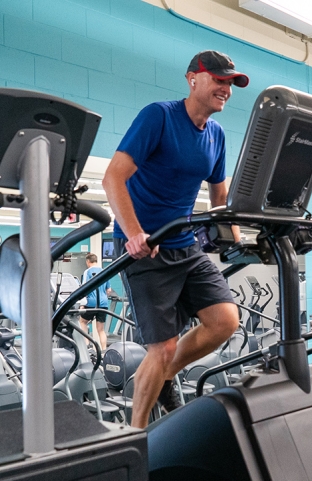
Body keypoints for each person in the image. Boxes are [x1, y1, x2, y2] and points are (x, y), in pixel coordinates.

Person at [102, 50, 249, 428]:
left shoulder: (216, 136)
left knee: (225, 320)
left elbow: (219, 201)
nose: (225, 89)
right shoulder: (159, 116)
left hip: (185, 243)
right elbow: (113, 177)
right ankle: (134, 437)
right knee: (163, 346)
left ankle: (164, 374)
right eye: (218, 80)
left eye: (230, 83)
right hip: (144, 248)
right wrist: (134, 234)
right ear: (192, 79)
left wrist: (239, 241)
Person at [79, 253, 112, 351]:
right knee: (101, 330)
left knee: (82, 322)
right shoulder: (104, 271)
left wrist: (82, 304)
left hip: (91, 303)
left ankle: (87, 347)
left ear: (88, 262)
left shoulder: (87, 272)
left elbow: (84, 289)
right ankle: (104, 351)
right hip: (103, 304)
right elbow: (109, 290)